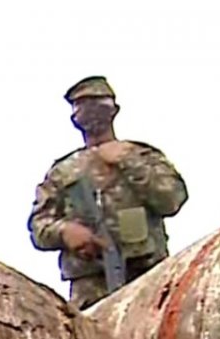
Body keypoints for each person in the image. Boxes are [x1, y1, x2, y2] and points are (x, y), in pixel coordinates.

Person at [27, 76, 189, 309]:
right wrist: (65, 231)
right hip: (91, 288)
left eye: (97, 103)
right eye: (82, 105)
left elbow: (171, 200)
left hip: (149, 277)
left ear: (113, 110)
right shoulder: (63, 171)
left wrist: (128, 161)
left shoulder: (141, 155)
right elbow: (38, 226)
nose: (91, 111)